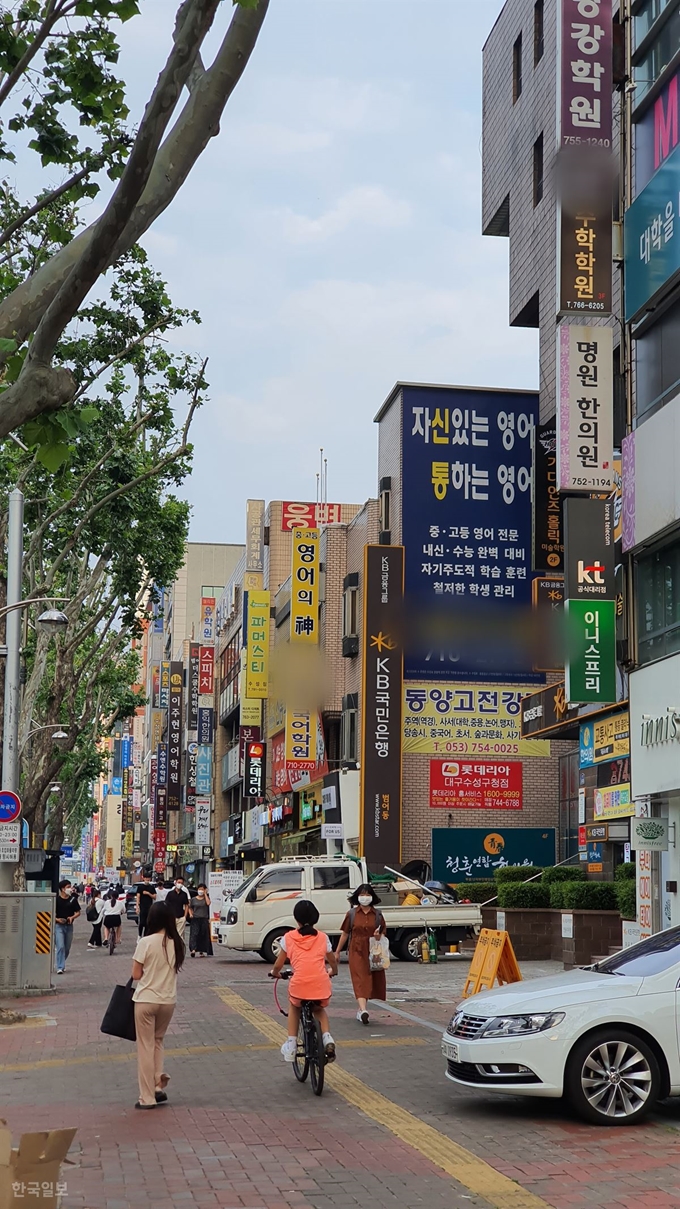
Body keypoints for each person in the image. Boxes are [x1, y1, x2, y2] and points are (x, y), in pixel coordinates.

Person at [131, 901, 185, 1109]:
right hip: (168, 1000)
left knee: (145, 1046)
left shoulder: (146, 942)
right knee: (158, 1041)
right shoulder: (177, 943)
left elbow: (136, 974)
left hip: (146, 999)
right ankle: (157, 1084)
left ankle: (147, 1097)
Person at [270, 900, 338, 1063]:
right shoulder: (323, 937)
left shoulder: (288, 937)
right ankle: (327, 1038)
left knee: (295, 1006)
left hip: (299, 984)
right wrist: (333, 971)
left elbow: (278, 964)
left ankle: (292, 1045)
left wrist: (275, 973)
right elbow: (332, 960)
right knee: (319, 1009)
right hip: (320, 983)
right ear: (315, 917)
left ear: (296, 918)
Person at [335, 884, 387, 1025]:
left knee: (369, 980)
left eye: (367, 895)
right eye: (362, 895)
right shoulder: (351, 914)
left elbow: (382, 934)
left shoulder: (378, 915)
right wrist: (337, 951)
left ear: (372, 897)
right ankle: (364, 1010)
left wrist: (377, 935)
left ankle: (360, 1010)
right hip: (356, 950)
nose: (365, 898)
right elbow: (345, 933)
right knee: (359, 979)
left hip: (373, 950)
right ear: (357, 897)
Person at [55, 879, 81, 974]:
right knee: (60, 946)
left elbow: (78, 912)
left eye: (70, 887)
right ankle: (60, 966)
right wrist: (58, 920)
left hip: (69, 926)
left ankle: (61, 962)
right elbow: (51, 914)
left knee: (67, 948)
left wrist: (72, 917)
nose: (70, 889)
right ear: (62, 889)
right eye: (68, 887)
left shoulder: (72, 900)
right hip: (58, 926)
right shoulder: (56, 900)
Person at [188, 884, 212, 957]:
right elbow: (190, 907)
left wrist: (205, 894)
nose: (200, 891)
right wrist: (190, 914)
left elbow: (208, 903)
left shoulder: (206, 898)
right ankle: (193, 949)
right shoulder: (193, 899)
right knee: (194, 934)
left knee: (203, 935)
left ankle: (202, 951)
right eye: (199, 889)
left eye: (202, 889)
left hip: (204, 918)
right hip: (195, 918)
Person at [136, 871, 157, 937]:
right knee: (141, 922)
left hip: (149, 907)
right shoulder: (140, 887)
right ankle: (139, 935)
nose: (147, 880)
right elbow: (138, 897)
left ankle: (145, 936)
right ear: (143, 878)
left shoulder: (151, 887)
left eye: (148, 879)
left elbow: (154, 897)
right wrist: (137, 906)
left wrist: (148, 893)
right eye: (146, 879)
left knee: (148, 923)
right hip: (142, 907)